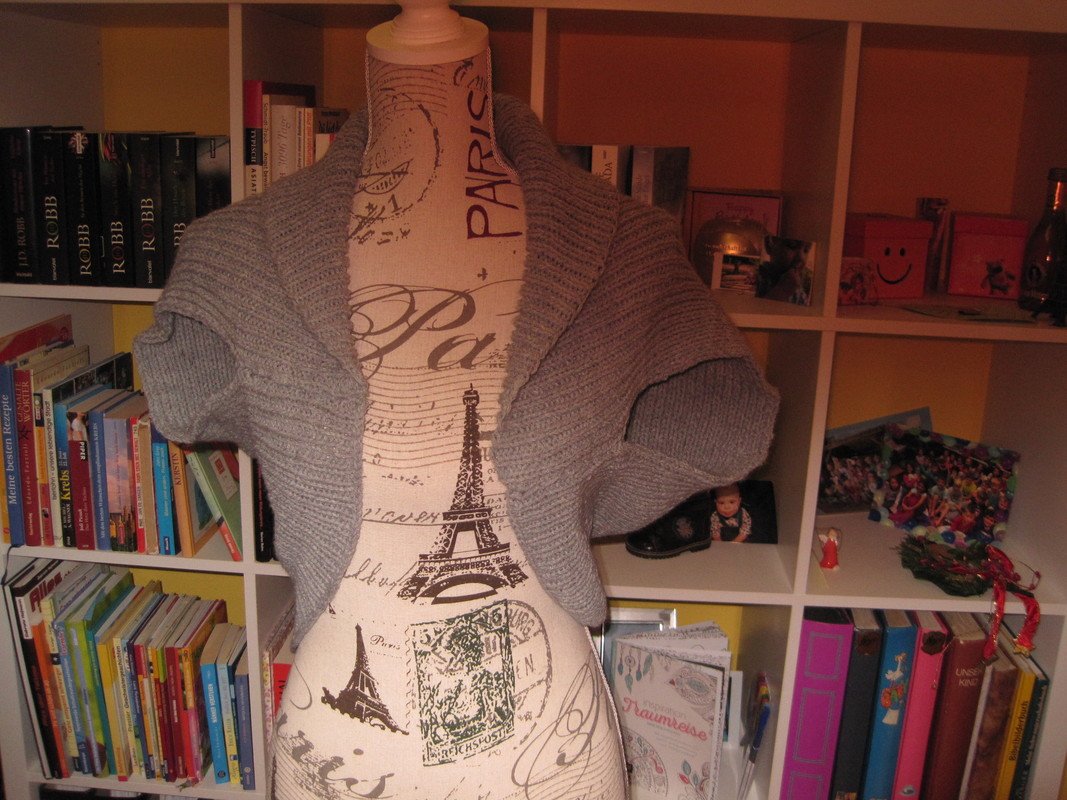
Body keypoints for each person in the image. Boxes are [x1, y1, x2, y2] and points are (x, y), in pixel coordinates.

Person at [133, 2, 778, 796]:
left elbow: (719, 422)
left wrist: (585, 492)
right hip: (338, 746)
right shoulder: (238, 253)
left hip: (554, 746)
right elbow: (183, 394)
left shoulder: (623, 248)